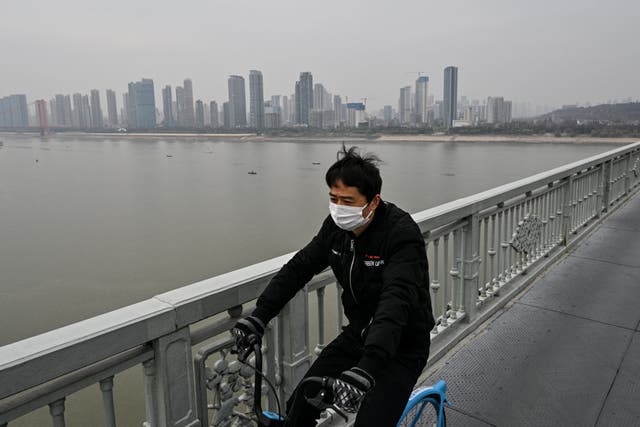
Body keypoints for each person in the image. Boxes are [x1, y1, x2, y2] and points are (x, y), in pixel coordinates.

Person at [232, 145, 435, 426]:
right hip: (359, 335)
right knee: (301, 403)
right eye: (334, 198)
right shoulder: (335, 228)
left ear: (373, 202)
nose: (339, 208)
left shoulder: (400, 234)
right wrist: (259, 316)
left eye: (348, 201)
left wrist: (368, 368)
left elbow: (396, 300)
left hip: (402, 345)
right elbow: (300, 267)